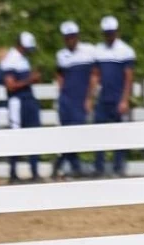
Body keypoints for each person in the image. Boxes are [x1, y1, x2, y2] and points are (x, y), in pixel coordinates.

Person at [52, 20, 97, 179]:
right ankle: (74, 167)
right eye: (67, 37)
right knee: (67, 134)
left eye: (72, 36)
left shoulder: (89, 51)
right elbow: (59, 75)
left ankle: (60, 163)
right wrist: (61, 92)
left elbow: (94, 75)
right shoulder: (61, 55)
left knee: (77, 134)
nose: (70, 40)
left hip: (80, 99)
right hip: (66, 100)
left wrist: (90, 98)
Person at [92, 15, 136, 177]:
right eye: (106, 32)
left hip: (118, 98)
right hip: (103, 98)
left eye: (111, 32)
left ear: (116, 32)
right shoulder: (99, 50)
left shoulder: (125, 51)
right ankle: (99, 167)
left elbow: (129, 77)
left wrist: (125, 99)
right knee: (99, 134)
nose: (109, 35)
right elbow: (95, 75)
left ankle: (119, 167)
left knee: (120, 135)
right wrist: (91, 97)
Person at [0, 32, 42, 182]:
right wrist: (30, 80)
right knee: (16, 136)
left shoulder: (23, 59)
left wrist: (32, 80)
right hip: (17, 102)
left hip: (28, 100)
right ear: (21, 45)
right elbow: (10, 86)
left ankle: (35, 172)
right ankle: (13, 174)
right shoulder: (10, 59)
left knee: (34, 135)